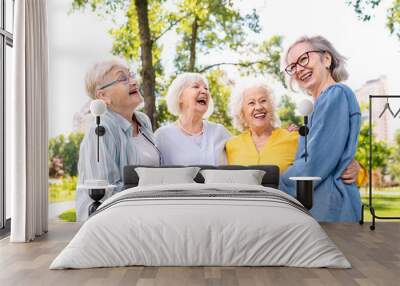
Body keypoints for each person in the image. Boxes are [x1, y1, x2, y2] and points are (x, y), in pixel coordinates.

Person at [279, 35, 363, 221]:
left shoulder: (335, 95)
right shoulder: (320, 105)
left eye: (303, 59)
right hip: (320, 210)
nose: (298, 69)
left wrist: (271, 187)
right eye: (293, 67)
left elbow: (313, 164)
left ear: (326, 59)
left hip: (332, 211)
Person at [76, 59, 160, 221]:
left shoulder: (143, 121)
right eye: (123, 78)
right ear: (103, 96)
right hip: (114, 222)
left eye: (131, 75)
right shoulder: (100, 131)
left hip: (147, 214)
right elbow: (106, 193)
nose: (134, 81)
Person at [155, 73, 230, 165]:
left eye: (206, 88)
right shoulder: (162, 136)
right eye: (196, 86)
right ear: (180, 96)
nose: (204, 91)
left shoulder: (220, 132)